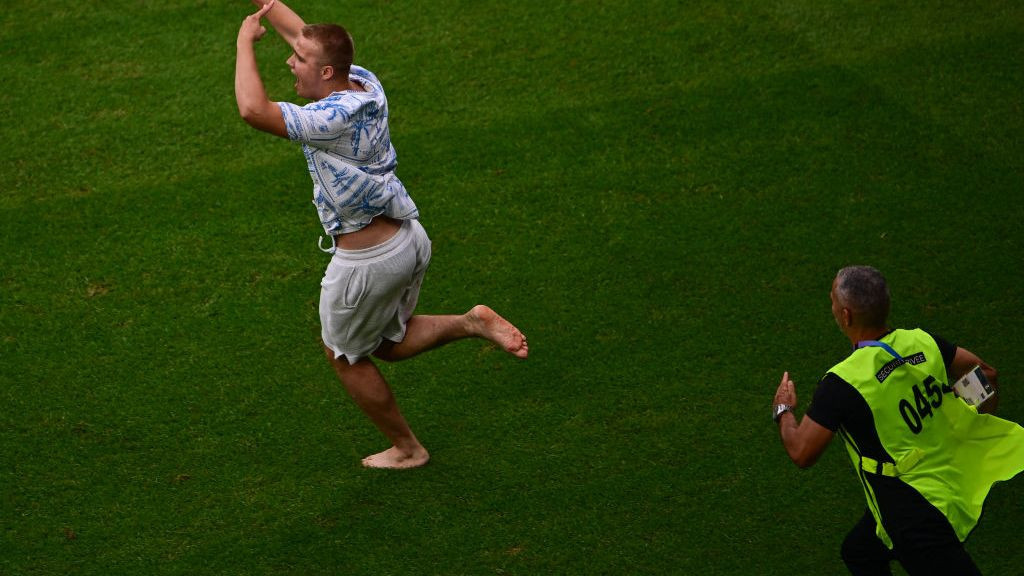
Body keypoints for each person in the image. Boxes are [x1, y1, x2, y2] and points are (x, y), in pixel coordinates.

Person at [234, 0, 529, 469]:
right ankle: (472, 322)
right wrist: (269, 6)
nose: (290, 60)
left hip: (366, 264)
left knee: (344, 354)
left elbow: (252, 109)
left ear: (326, 72)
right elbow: (303, 36)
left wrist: (244, 42)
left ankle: (409, 449)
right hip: (409, 241)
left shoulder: (329, 120)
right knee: (385, 343)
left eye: (299, 60)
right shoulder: (364, 84)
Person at [772, 265, 1024, 575]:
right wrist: (964, 418)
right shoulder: (921, 342)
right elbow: (986, 374)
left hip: (912, 511)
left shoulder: (842, 382)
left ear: (847, 316)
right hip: (948, 479)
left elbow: (801, 452)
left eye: (833, 302)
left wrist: (783, 410)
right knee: (859, 551)